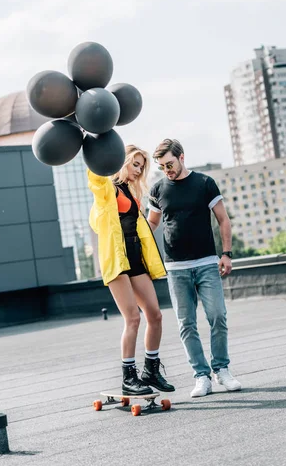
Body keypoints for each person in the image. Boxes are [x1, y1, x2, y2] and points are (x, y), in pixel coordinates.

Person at [147, 138, 241, 398]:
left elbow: (223, 220)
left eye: (170, 164)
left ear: (181, 157)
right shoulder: (157, 190)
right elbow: (150, 226)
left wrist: (226, 254)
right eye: (162, 166)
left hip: (207, 263)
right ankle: (201, 376)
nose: (167, 170)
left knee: (217, 316)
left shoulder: (204, 183)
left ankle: (222, 370)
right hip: (176, 268)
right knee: (186, 324)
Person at [87, 144, 175, 396]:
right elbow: (95, 175)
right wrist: (95, 145)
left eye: (141, 166)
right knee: (133, 319)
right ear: (122, 161)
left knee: (155, 315)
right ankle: (128, 376)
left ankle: (151, 370)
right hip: (117, 263)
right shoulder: (107, 189)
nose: (138, 170)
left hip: (136, 261)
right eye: (135, 164)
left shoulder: (132, 193)